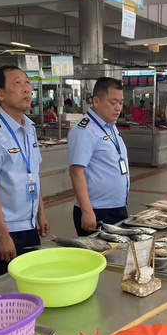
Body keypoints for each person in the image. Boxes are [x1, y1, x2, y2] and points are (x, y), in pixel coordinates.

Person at [0, 66, 50, 279]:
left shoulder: (30, 128)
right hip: (5, 230)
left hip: (29, 225)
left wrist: (40, 213)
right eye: (18, 83)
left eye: (27, 83)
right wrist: (3, 235)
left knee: (31, 284)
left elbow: (33, 174)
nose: (27, 89)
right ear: (0, 94)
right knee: (5, 291)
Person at [68, 77, 129, 236]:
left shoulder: (111, 126)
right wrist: (87, 212)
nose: (118, 108)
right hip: (97, 211)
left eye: (121, 103)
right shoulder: (85, 130)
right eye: (113, 102)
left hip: (116, 207)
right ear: (96, 101)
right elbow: (76, 172)